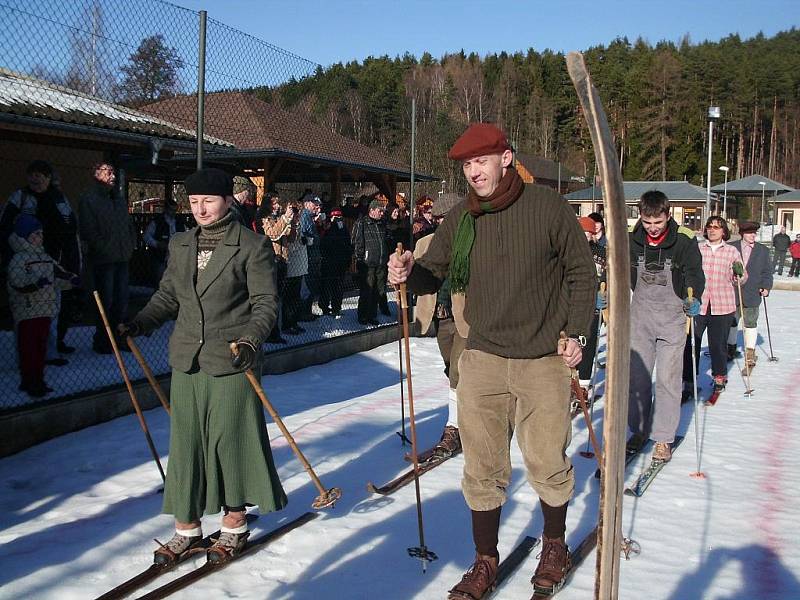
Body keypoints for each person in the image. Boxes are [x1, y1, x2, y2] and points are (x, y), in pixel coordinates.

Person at [388, 122, 595, 598]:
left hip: (542, 357)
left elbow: (582, 275)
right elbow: (429, 275)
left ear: (506, 157)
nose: (473, 171)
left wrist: (579, 335)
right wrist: (405, 272)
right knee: (481, 466)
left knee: (546, 458)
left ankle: (555, 544)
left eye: (480, 160)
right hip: (480, 358)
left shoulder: (549, 208)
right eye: (465, 164)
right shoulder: (463, 217)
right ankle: (485, 561)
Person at [120, 168, 286, 565]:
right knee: (187, 444)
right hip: (187, 361)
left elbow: (265, 303)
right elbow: (168, 296)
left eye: (208, 201)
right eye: (193, 203)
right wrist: (142, 321)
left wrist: (250, 340)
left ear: (228, 200)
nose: (200, 209)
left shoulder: (252, 245)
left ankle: (233, 524)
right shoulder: (180, 244)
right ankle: (186, 530)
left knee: (231, 442)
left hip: (232, 359)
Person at [626, 192, 704, 463]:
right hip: (641, 318)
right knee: (637, 378)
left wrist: (694, 297)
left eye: (657, 221)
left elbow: (695, 272)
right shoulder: (632, 239)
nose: (653, 227)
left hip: (672, 319)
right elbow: (617, 269)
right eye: (647, 222)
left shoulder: (683, 239)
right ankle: (638, 430)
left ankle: (662, 437)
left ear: (668, 216)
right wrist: (608, 292)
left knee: (668, 380)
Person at [412, 192, 467, 459]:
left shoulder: (473, 242)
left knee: (458, 371)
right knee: (452, 370)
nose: (445, 223)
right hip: (441, 318)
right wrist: (401, 275)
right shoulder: (425, 244)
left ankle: (454, 429)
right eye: (441, 218)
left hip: (469, 320)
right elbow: (417, 279)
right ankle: (468, 414)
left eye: (450, 217)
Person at [7, 215, 78, 397]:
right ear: (25, 237)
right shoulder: (19, 259)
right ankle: (30, 381)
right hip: (28, 311)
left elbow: (58, 276)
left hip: (45, 310)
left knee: (40, 348)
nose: (40, 237)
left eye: (41, 233)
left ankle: (37, 380)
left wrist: (70, 280)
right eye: (36, 234)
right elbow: (16, 282)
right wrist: (35, 283)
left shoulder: (45, 257)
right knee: (29, 348)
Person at [684, 216, 746, 397]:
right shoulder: (697, 249)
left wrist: (738, 274)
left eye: (717, 227)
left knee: (717, 345)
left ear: (724, 231)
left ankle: (719, 376)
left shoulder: (732, 252)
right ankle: (688, 380)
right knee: (691, 344)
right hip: (698, 304)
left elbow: (742, 278)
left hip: (722, 305)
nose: (712, 230)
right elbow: (689, 271)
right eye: (710, 227)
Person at [78, 162, 135, 354]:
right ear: (96, 174)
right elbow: (89, 230)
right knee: (106, 301)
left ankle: (119, 338)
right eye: (107, 172)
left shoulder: (118, 199)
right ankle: (103, 340)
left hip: (122, 257)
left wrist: (130, 245)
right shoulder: (89, 199)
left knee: (122, 301)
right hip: (103, 260)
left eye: (113, 172)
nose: (112, 176)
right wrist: (103, 248)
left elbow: (128, 225)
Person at [729, 221, 772, 372]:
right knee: (732, 322)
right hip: (732, 293)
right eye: (749, 233)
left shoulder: (762, 251)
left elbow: (767, 272)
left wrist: (766, 287)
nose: (752, 235)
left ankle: (750, 351)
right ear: (742, 234)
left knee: (750, 323)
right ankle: (731, 347)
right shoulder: (731, 247)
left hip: (753, 292)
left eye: (754, 233)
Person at [575, 216, 607, 403]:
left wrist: (605, 294)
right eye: (583, 232)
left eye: (589, 233)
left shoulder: (601, 253)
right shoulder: (569, 250)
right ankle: (571, 380)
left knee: (588, 345)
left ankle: (584, 385)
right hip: (573, 305)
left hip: (594, 307)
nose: (586, 236)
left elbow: (608, 277)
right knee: (572, 344)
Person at [261, 192, 295, 343]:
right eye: (274, 203)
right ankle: (269, 333)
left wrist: (293, 222)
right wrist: (285, 218)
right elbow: (273, 234)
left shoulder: (278, 218)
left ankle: (276, 332)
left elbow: (290, 237)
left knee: (279, 298)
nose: (277, 206)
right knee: (271, 299)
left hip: (283, 260)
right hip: (271, 261)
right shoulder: (264, 218)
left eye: (278, 203)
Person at [352, 199, 388, 326]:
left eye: (383, 211)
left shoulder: (381, 224)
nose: (382, 213)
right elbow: (357, 242)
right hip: (367, 264)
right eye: (380, 211)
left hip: (380, 262)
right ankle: (363, 316)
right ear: (372, 210)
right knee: (367, 290)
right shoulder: (362, 223)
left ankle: (372, 314)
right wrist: (360, 259)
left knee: (378, 291)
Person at [319, 208, 352, 317]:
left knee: (337, 286)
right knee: (327, 286)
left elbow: (348, 245)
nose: (338, 220)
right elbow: (324, 243)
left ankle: (336, 308)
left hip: (339, 262)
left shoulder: (343, 229)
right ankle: (325, 307)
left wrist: (347, 259)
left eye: (339, 218)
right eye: (335, 218)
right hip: (329, 262)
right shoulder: (327, 228)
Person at [143, 199, 184, 287]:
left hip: (176, 257)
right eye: (171, 210)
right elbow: (146, 236)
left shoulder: (179, 222)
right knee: (160, 281)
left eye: (174, 210)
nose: (173, 212)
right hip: (160, 256)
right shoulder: (157, 222)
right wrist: (157, 244)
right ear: (166, 209)